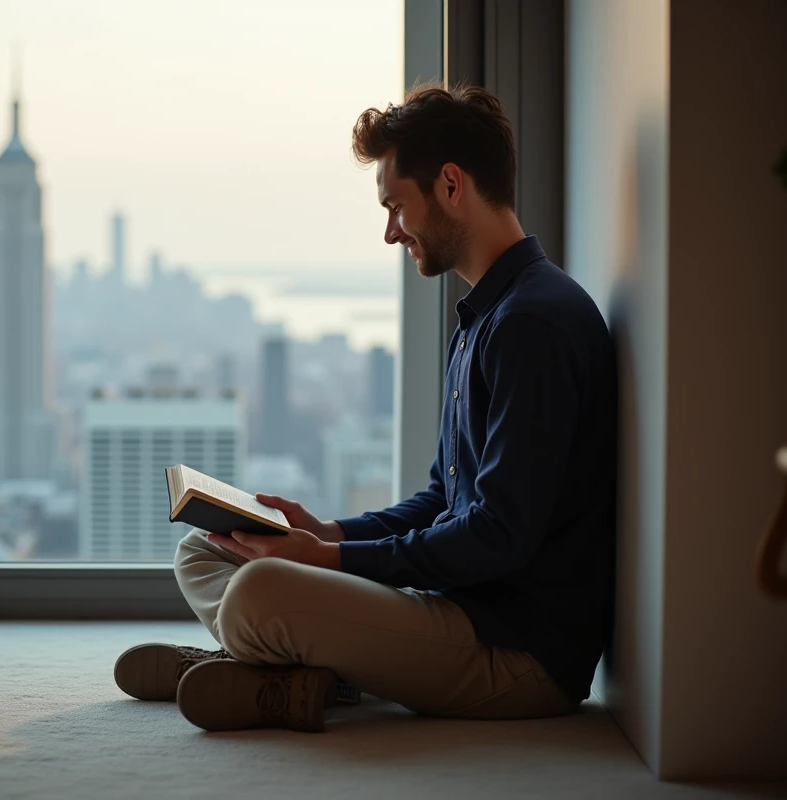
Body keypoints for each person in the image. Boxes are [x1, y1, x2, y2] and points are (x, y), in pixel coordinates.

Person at [113, 82, 617, 733]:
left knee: (262, 591)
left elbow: (498, 537)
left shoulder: (532, 326)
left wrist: (324, 562)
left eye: (396, 207)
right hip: (460, 609)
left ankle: (266, 664)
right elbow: (445, 497)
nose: (390, 232)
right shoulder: (485, 319)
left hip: (516, 655)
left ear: (451, 185)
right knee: (206, 551)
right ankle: (282, 674)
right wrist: (332, 535)